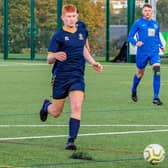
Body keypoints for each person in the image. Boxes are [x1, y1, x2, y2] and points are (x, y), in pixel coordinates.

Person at [39, 4, 103, 150]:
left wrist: (93, 62)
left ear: (77, 17)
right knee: (56, 112)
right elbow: (48, 59)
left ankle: (71, 140)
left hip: (77, 76)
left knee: (76, 106)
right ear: (62, 18)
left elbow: (83, 49)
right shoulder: (58, 36)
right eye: (68, 17)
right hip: (60, 77)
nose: (71, 19)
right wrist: (55, 55)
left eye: (73, 16)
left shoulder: (82, 31)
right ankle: (46, 106)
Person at [128, 3, 165, 105]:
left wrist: (161, 45)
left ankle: (156, 97)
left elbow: (157, 37)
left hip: (154, 52)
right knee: (140, 73)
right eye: (145, 10)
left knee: (157, 71)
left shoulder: (156, 24)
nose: (147, 12)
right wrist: (136, 42)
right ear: (142, 12)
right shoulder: (138, 23)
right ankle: (134, 90)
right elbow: (130, 37)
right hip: (142, 53)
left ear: (151, 12)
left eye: (149, 11)